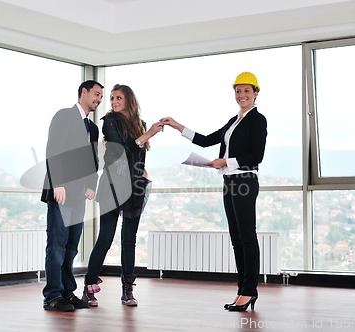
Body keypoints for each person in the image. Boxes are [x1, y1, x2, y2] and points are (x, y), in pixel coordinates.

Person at [162, 72, 267, 312]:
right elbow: (205, 139)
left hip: (245, 180)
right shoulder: (234, 120)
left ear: (256, 93)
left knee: (247, 237)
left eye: (246, 91)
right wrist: (177, 125)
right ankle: (242, 289)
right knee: (236, 238)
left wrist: (225, 161)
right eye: (238, 91)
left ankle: (250, 290)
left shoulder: (257, 120)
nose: (241, 95)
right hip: (230, 182)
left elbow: (256, 156)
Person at [82, 84, 164, 307]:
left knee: (129, 240)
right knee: (106, 238)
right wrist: (148, 135)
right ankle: (88, 288)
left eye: (118, 97)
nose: (114, 101)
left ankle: (128, 290)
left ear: (129, 99)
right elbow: (121, 149)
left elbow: (138, 154)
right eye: (111, 98)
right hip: (111, 185)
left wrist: (141, 170)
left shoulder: (141, 124)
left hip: (134, 186)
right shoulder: (109, 122)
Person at [41, 80, 104, 312]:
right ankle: (52, 296)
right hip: (62, 192)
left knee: (71, 246)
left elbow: (93, 160)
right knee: (56, 245)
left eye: (101, 96)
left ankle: (68, 293)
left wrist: (91, 184)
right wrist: (58, 183)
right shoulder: (64, 116)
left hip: (79, 194)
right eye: (96, 94)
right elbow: (53, 150)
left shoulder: (92, 127)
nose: (98, 99)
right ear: (83, 92)